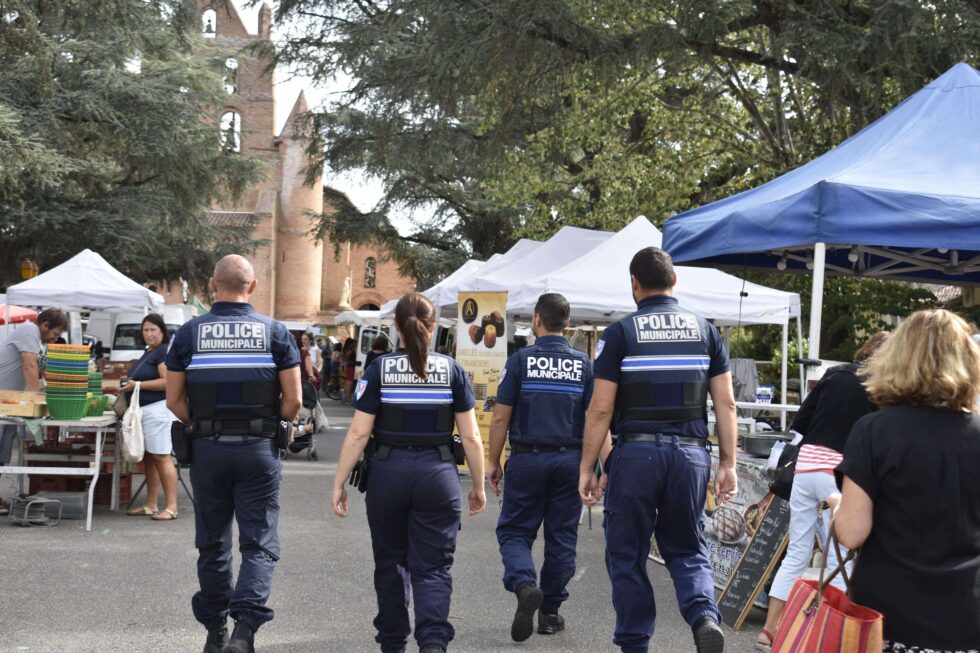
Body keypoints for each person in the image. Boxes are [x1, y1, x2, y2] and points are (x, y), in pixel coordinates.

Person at [579, 247, 738, 653]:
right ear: (675, 281)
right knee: (687, 547)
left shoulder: (620, 335)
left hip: (635, 457)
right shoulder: (706, 331)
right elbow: (726, 404)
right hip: (690, 456)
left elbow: (601, 409)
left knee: (626, 553)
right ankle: (703, 616)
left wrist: (589, 466)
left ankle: (635, 644)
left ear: (634, 284)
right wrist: (729, 464)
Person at [331, 292, 487, 653]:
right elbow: (471, 437)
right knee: (432, 569)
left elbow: (358, 433)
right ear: (433, 327)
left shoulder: (379, 369)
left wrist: (339, 482)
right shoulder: (452, 371)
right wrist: (477, 486)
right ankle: (433, 644)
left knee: (390, 563)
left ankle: (392, 644)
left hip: (388, 474)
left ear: (396, 327)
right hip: (438, 475)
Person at [166, 255, 301, 653]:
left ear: (213, 285)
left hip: (207, 450)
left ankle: (214, 632)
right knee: (258, 542)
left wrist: (208, 425)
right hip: (259, 450)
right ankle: (244, 630)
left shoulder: (189, 334)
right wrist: (260, 424)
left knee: (212, 543)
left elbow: (174, 400)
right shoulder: (275, 333)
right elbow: (293, 402)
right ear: (253, 287)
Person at [835, 309, 980, 653]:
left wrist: (836, 506)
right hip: (968, 617)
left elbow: (852, 532)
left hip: (890, 619)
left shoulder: (874, 431)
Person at [756, 331, 889, 650]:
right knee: (839, 556)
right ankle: (828, 633)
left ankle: (770, 629)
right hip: (843, 472)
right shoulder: (881, 387)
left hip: (807, 465)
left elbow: (800, 424)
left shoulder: (834, 374)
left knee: (797, 552)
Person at [487, 293, 594, 642]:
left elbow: (501, 415)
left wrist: (493, 460)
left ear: (536, 319)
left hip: (528, 457)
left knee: (515, 531)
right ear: (567, 322)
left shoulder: (520, 361)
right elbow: (597, 418)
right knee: (561, 538)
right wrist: (594, 467)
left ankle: (524, 584)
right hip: (569, 461)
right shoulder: (583, 365)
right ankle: (549, 613)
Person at [121, 314, 181, 521]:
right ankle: (151, 504)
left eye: (153, 329)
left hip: (157, 411)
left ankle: (172, 507)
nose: (149, 334)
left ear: (162, 331)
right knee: (149, 458)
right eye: (145, 330)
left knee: (162, 457)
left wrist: (136, 385)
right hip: (145, 411)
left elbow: (167, 382)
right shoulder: (149, 352)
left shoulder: (163, 351)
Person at [0, 308, 69, 391]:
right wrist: (36, 397)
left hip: (8, 395)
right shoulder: (30, 329)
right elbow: (30, 366)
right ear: (45, 325)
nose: (56, 339)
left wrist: (61, 390)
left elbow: (44, 369)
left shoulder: (41, 342)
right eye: (55, 334)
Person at [342, 337, 357, 403]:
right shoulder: (351, 349)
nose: (356, 344)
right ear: (351, 343)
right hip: (351, 366)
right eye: (354, 343)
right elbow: (347, 356)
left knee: (348, 382)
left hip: (349, 366)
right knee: (349, 383)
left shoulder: (346, 349)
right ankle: (348, 398)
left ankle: (346, 397)